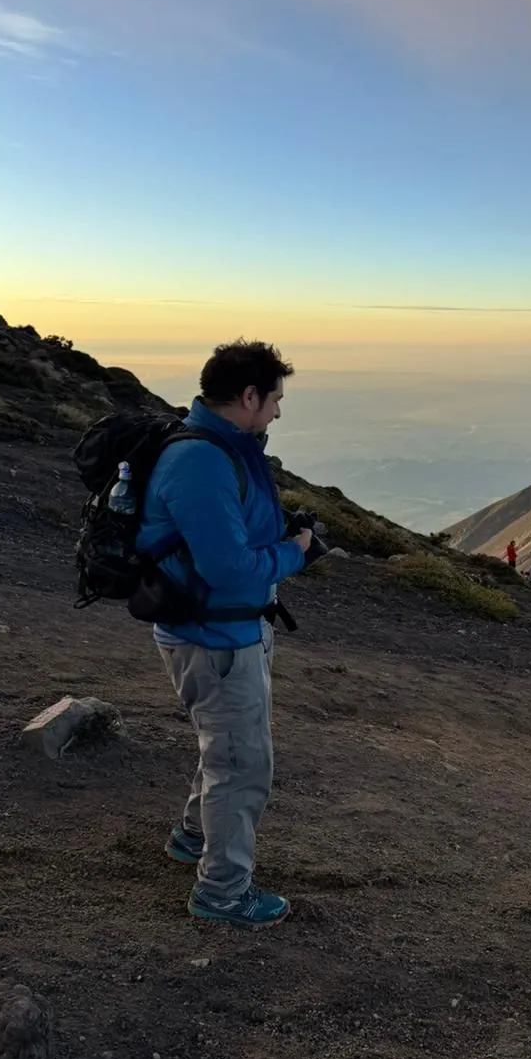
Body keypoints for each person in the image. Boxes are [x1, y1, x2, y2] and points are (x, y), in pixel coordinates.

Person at [136, 340, 313, 929]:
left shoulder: (227, 446)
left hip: (224, 630)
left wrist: (281, 533)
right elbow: (228, 569)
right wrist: (294, 554)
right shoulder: (202, 461)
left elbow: (229, 536)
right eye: (274, 400)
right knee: (241, 765)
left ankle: (191, 837)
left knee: (227, 747)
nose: (279, 413)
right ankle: (221, 893)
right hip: (214, 638)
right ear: (248, 396)